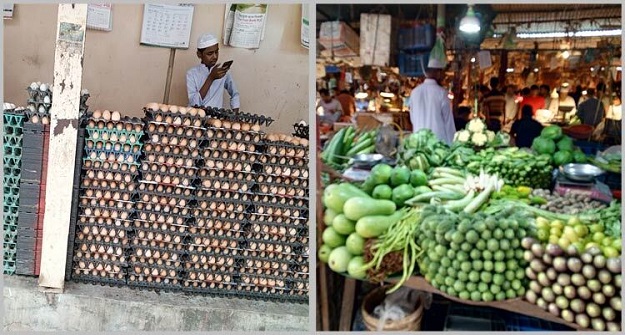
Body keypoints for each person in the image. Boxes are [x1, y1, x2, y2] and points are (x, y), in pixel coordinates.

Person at [186, 33, 240, 111]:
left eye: (216, 52)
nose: (214, 56)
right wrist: (210, 78)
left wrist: (235, 115)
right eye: (210, 54)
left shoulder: (223, 71)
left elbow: (235, 94)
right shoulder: (191, 74)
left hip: (215, 119)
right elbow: (194, 103)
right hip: (196, 118)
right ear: (199, 55)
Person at [408, 59, 456, 145]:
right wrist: (452, 144)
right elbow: (448, 121)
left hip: (418, 141)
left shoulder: (414, 92)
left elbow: (413, 118)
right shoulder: (442, 93)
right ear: (438, 73)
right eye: (441, 72)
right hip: (437, 144)